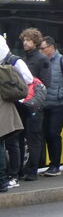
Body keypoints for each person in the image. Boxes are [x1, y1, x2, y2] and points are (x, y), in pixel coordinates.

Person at [39, 36, 63, 177]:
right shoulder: (42, 61)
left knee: (54, 133)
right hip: (45, 103)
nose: (41, 51)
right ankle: (52, 164)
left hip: (59, 104)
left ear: (51, 47)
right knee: (47, 134)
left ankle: (56, 165)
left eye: (43, 48)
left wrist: (60, 93)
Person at [16, 28, 51, 180]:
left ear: (36, 42)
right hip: (22, 104)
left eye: (28, 40)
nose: (25, 42)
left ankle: (32, 170)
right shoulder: (23, 58)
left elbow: (45, 84)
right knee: (21, 137)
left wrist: (33, 101)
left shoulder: (42, 59)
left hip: (34, 106)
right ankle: (21, 170)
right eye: (24, 40)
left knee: (33, 138)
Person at [0, 35, 32, 190]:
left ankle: (13, 174)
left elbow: (28, 79)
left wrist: (11, 89)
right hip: (8, 103)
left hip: (16, 103)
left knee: (12, 142)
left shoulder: (14, 61)